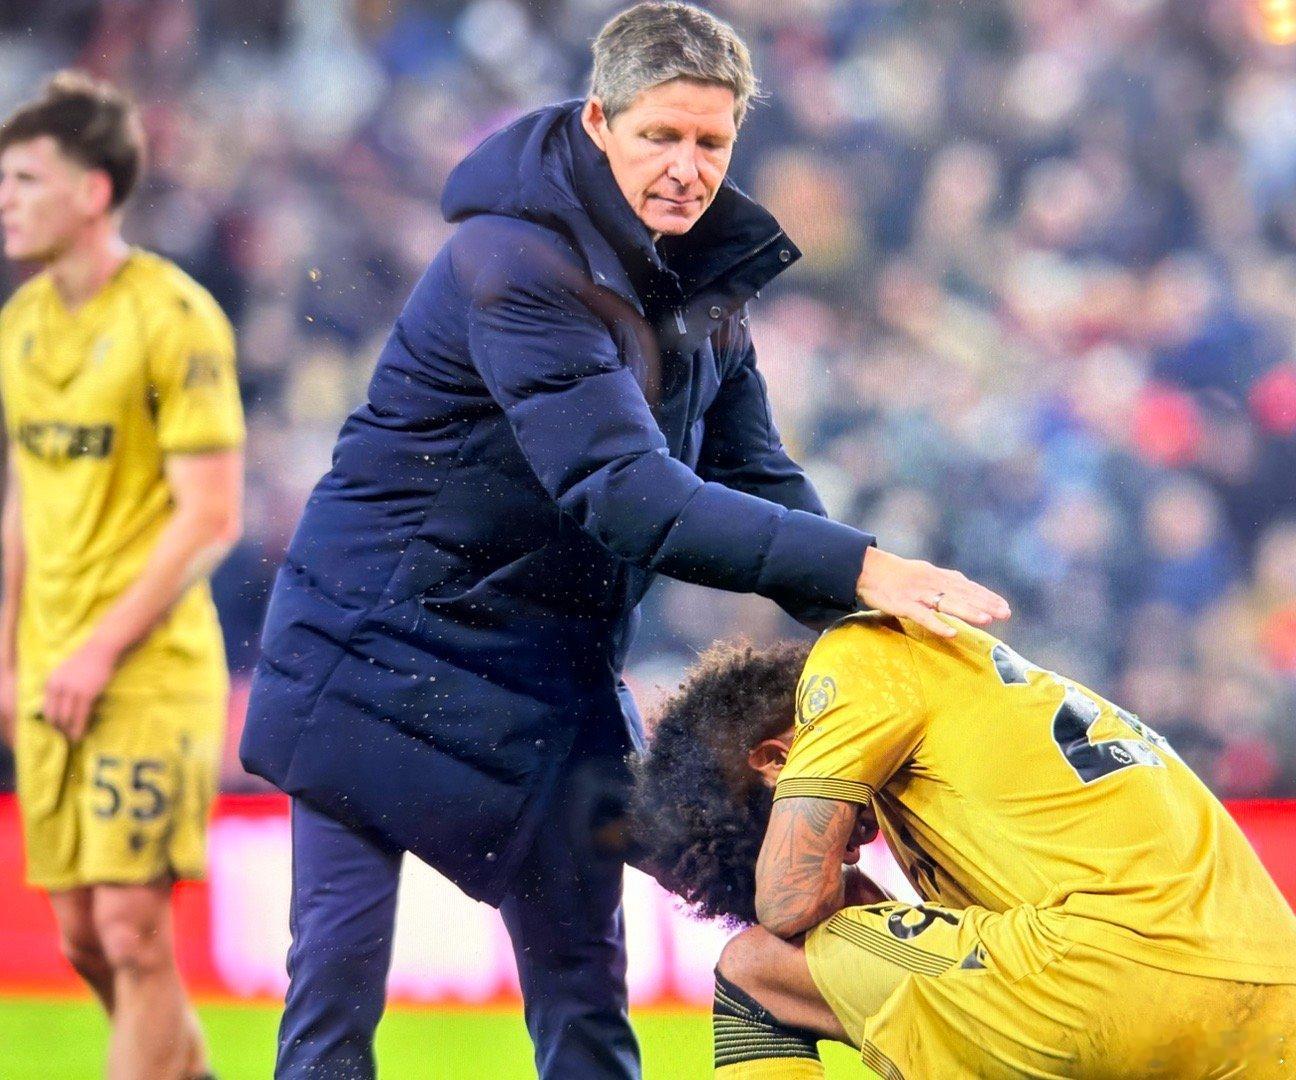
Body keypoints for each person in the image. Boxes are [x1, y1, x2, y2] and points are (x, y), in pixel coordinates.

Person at [238, 4, 1009, 1078]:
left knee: (586, 994)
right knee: (335, 992)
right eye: (662, 135)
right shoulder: (514, 264)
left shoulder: (705, 284)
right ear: (599, 121)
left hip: (544, 672)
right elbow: (628, 495)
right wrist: (863, 568)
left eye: (712, 141)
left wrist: (878, 614)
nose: (689, 169)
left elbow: (755, 472)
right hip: (373, 653)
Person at [629, 616, 1296, 1078]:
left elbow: (788, 901)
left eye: (772, 823)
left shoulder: (851, 661)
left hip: (1113, 976)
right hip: (1274, 1005)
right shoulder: (965, 691)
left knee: (753, 970)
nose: (852, 851)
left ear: (776, 760)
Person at [0, 73, 245, 1080]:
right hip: (49, 668)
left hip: (145, 668)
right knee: (84, 941)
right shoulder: (20, 324)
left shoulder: (174, 318)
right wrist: (10, 655)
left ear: (93, 191)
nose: (4, 199)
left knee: (134, 932)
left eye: (25, 179)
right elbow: (27, 500)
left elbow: (212, 514)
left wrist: (100, 647)